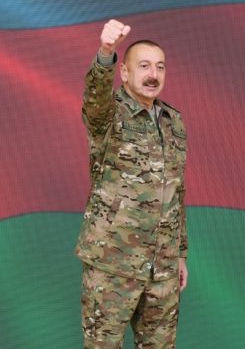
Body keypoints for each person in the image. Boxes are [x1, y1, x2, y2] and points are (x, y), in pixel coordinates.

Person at [75, 19, 188, 348]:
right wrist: (106, 52)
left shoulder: (173, 121)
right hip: (113, 263)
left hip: (162, 267)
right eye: (144, 66)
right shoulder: (108, 115)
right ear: (124, 73)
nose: (153, 74)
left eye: (160, 66)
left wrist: (180, 254)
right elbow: (95, 97)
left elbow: (176, 192)